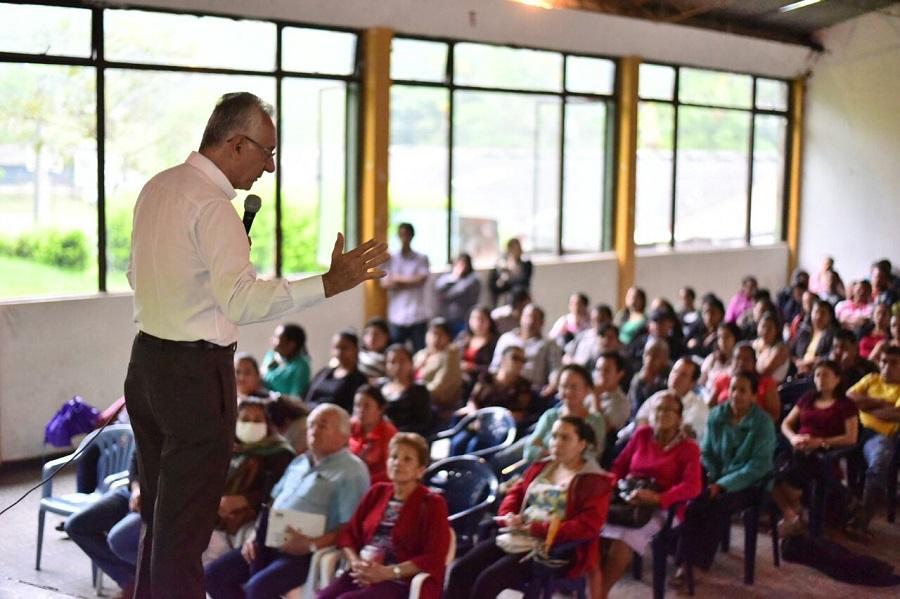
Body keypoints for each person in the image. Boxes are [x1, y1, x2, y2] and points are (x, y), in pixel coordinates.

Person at [124, 92, 388, 598]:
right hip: (195, 379)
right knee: (185, 533)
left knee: (161, 520)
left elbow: (139, 276)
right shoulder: (213, 207)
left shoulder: (158, 188)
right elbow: (244, 303)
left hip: (148, 367)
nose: (269, 166)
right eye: (267, 152)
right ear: (237, 144)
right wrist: (329, 283)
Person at [205, 404, 370, 599]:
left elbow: (349, 527)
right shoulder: (300, 461)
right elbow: (272, 502)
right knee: (213, 576)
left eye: (322, 425)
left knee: (258, 589)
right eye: (311, 425)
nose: (313, 431)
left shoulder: (352, 471)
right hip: (270, 538)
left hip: (305, 551)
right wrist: (254, 535)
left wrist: (310, 544)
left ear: (344, 435)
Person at [445, 417, 613, 599]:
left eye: (565, 438)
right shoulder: (542, 467)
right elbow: (515, 493)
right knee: (460, 570)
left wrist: (538, 529)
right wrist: (509, 514)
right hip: (519, 534)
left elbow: (588, 526)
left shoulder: (594, 480)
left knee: (488, 581)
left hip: (554, 548)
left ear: (582, 444)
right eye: (554, 436)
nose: (557, 443)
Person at [317, 434, 451, 599]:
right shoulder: (377, 492)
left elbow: (434, 557)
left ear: (420, 470)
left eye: (407, 459)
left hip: (401, 581)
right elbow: (349, 535)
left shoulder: (432, 503)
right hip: (363, 572)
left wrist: (387, 572)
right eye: (394, 457)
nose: (398, 463)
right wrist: (356, 564)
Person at [599, 393, 702, 598]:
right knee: (596, 529)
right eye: (658, 409)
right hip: (630, 499)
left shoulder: (689, 447)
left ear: (680, 418)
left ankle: (599, 594)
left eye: (669, 410)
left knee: (624, 538)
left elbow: (693, 487)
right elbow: (619, 465)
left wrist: (658, 498)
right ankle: (591, 585)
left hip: (665, 508)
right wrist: (617, 486)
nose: (662, 414)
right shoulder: (642, 435)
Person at [679, 372, 775, 581]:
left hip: (752, 484)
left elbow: (758, 466)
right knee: (693, 500)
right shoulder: (717, 415)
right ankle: (683, 558)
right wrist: (713, 478)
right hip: (718, 477)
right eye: (733, 389)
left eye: (743, 391)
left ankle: (698, 564)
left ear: (753, 396)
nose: (736, 395)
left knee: (717, 505)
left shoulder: (763, 423)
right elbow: (707, 452)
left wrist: (722, 485)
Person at [772, 361, 859, 536]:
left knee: (801, 462)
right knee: (770, 470)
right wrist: (793, 437)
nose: (820, 379)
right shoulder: (808, 398)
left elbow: (851, 437)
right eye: (817, 375)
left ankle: (794, 515)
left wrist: (820, 442)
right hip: (797, 446)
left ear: (837, 379)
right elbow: (786, 423)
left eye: (826, 375)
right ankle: (794, 513)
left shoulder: (845, 404)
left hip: (823, 452)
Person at [205, 399, 297, 564]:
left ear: (267, 424)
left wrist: (244, 500)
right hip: (213, 514)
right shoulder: (224, 446)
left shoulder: (280, 453)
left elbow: (278, 494)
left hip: (251, 518)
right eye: (245, 419)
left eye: (257, 420)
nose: (251, 425)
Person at [66, 451, 141, 599]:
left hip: (157, 502)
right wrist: (136, 490)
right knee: (75, 525)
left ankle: (140, 583)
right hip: (131, 492)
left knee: (118, 539)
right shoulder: (145, 436)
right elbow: (135, 462)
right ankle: (130, 580)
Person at [845, 347, 900, 539]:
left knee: (878, 465)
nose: (887, 366)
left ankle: (862, 520)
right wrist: (881, 403)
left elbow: (895, 414)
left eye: (894, 363)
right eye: (884, 361)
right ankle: (848, 504)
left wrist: (865, 407)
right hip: (852, 429)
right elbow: (849, 397)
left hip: (879, 435)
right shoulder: (872, 378)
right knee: (817, 456)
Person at [524, 365, 606, 464]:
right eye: (564, 386)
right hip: (543, 469)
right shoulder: (550, 416)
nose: (568, 391)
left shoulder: (595, 421)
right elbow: (529, 450)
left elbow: (592, 455)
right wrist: (555, 454)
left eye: (574, 387)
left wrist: (547, 453)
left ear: (587, 389)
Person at [630, 357, 709, 443]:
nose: (676, 377)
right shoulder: (659, 396)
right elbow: (641, 419)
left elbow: (683, 434)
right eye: (675, 371)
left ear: (692, 383)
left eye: (683, 375)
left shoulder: (699, 408)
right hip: (645, 443)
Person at [490, 303, 562, 395]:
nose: (530, 321)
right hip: (503, 387)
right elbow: (495, 366)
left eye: (535, 318)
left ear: (542, 322)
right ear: (521, 318)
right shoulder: (506, 338)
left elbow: (555, 369)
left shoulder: (549, 344)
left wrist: (552, 386)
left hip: (532, 391)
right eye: (528, 316)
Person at [381, 222, 431, 352]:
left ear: (412, 236)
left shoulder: (421, 258)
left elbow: (421, 280)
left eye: (407, 234)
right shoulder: (391, 259)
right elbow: (385, 283)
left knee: (420, 353)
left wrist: (396, 278)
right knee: (395, 351)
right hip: (397, 315)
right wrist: (411, 280)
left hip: (417, 315)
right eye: (402, 234)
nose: (404, 238)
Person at [462, 345, 534, 423]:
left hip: (503, 425)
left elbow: (520, 413)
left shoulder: (523, 386)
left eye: (523, 360)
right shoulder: (486, 378)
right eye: (515, 358)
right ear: (503, 359)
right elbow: (473, 401)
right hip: (478, 421)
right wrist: (477, 417)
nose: (520, 363)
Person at [712, 343, 780, 421]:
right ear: (732, 361)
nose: (741, 363)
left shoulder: (766, 383)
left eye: (746, 359)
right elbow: (710, 405)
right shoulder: (722, 379)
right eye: (737, 358)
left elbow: (774, 415)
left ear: (754, 362)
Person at [305, 331, 369, 414]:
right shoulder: (324, 372)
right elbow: (308, 396)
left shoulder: (358, 379)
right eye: (336, 348)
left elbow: (350, 409)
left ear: (356, 349)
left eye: (344, 348)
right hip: (308, 412)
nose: (339, 352)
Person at [380, 344, 433, 436]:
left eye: (402, 361)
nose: (397, 366)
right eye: (392, 362)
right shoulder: (379, 388)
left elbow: (423, 424)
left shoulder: (419, 391)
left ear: (411, 363)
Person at [413, 318, 463, 415]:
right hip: (417, 401)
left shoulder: (451, 354)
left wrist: (414, 393)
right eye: (432, 333)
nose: (435, 338)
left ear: (448, 337)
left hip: (437, 407)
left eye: (440, 334)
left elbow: (439, 388)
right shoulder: (421, 354)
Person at [349, 385, 398, 485]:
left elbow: (390, 471)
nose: (361, 410)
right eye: (357, 405)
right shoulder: (349, 427)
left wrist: (363, 481)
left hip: (375, 485)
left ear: (380, 409)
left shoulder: (389, 434)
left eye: (367, 406)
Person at [455, 306, 498, 398]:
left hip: (482, 381)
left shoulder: (495, 342)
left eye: (482, 319)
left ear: (489, 321)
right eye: (474, 318)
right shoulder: (463, 338)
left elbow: (495, 367)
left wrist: (473, 367)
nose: (478, 322)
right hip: (460, 376)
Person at [434, 253, 481, 337]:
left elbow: (459, 292)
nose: (462, 267)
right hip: (447, 319)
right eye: (459, 264)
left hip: (463, 319)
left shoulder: (473, 280)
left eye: (464, 264)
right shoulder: (449, 277)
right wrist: (455, 276)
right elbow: (438, 287)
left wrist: (446, 295)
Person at [261, 323, 311, 397]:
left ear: (291, 345)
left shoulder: (300, 366)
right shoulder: (270, 355)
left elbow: (295, 396)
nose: (272, 340)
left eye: (277, 338)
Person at [791, 299, 836, 377]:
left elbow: (830, 355)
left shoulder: (833, 335)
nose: (818, 316)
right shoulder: (804, 331)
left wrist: (809, 363)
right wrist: (798, 363)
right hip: (797, 369)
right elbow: (791, 351)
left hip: (818, 372)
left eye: (823, 313)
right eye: (816, 312)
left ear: (830, 316)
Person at [627, 339, 670, 417]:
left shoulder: (669, 378)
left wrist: (650, 385)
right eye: (646, 354)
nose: (649, 359)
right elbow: (633, 407)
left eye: (655, 356)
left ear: (665, 359)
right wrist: (641, 382)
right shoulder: (638, 377)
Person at [563, 304, 614, 369]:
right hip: (575, 369)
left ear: (610, 319)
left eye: (601, 320)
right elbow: (566, 355)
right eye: (594, 320)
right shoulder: (583, 335)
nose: (597, 323)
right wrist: (571, 363)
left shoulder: (612, 340)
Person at [591, 351, 630, 435]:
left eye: (607, 370)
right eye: (598, 369)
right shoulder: (588, 391)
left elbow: (602, 430)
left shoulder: (622, 403)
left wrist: (596, 397)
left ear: (620, 374)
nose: (601, 374)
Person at [488, 237, 533, 307]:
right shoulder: (501, 266)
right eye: (513, 249)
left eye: (518, 249)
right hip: (504, 300)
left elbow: (524, 282)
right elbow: (495, 287)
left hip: (520, 299)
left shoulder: (526, 264)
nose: (517, 252)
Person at [699, 322, 738, 393]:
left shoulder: (739, 361)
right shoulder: (712, 358)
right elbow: (701, 382)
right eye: (720, 337)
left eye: (727, 336)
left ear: (735, 338)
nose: (723, 341)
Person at [752, 312, 790, 383]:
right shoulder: (755, 344)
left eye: (769, 328)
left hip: (772, 386)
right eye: (763, 326)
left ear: (776, 330)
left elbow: (765, 372)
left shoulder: (781, 349)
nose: (765, 331)